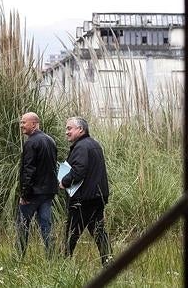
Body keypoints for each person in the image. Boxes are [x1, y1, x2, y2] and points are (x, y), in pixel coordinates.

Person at [59, 116, 112, 266]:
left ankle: (62, 264)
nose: (66, 132)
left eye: (69, 128)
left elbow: (79, 171)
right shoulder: (94, 144)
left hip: (83, 198)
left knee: (71, 233)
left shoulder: (81, 147)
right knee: (99, 232)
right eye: (66, 128)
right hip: (97, 196)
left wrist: (64, 181)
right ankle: (108, 262)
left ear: (80, 129)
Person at [16, 112, 58, 258]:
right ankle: (51, 257)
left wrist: (24, 194)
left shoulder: (31, 142)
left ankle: (19, 257)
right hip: (48, 192)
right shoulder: (50, 140)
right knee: (46, 226)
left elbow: (29, 170)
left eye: (23, 122)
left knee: (22, 226)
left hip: (33, 194)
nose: (21, 125)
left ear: (33, 124)